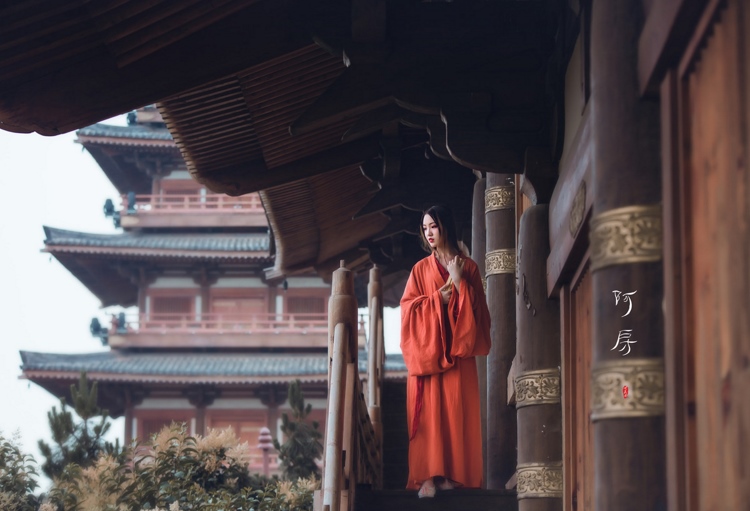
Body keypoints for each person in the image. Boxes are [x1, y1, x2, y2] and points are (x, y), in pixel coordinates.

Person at [400, 204, 491, 498]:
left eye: (433, 227)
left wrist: (460, 280)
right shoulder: (419, 270)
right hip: (428, 356)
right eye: (424, 228)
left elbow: (481, 317)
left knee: (455, 413)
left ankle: (452, 476)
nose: (428, 233)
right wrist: (436, 300)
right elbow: (408, 312)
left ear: (446, 227)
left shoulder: (470, 268)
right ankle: (427, 477)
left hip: (458, 357)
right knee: (429, 418)